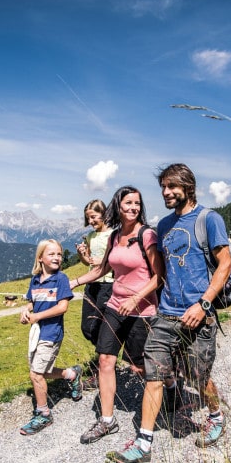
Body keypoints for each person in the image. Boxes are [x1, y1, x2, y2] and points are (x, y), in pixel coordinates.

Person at [107, 163, 231, 463]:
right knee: (154, 375)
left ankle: (215, 416)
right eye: (163, 187)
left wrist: (203, 305)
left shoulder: (208, 219)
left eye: (172, 186)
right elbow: (161, 271)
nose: (166, 192)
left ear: (188, 186)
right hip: (166, 314)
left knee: (197, 376)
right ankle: (143, 444)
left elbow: (225, 264)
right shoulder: (162, 226)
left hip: (198, 316)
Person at [69, 186, 164, 444]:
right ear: (118, 206)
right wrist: (74, 282)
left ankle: (168, 387)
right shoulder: (114, 237)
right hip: (114, 305)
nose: (133, 207)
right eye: (128, 203)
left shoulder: (147, 235)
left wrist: (136, 297)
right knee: (105, 361)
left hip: (141, 311)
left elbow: (159, 275)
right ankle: (107, 421)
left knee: (138, 366)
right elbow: (101, 270)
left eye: (137, 203)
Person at [19, 239, 83, 435]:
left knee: (36, 374)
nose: (56, 257)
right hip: (37, 333)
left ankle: (44, 414)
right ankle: (71, 374)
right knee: (41, 371)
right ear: (40, 258)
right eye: (51, 254)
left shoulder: (61, 279)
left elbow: (62, 306)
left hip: (51, 333)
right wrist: (25, 309)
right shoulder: (35, 279)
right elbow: (33, 301)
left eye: (59, 254)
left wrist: (37, 316)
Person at [75, 199, 114, 388]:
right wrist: (82, 254)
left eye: (93, 216)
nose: (90, 221)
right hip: (92, 284)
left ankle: (103, 367)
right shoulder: (90, 236)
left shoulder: (113, 235)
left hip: (108, 285)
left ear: (104, 214)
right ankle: (106, 358)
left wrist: (102, 260)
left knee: (101, 326)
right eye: (88, 218)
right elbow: (88, 262)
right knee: (88, 327)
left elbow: (114, 260)